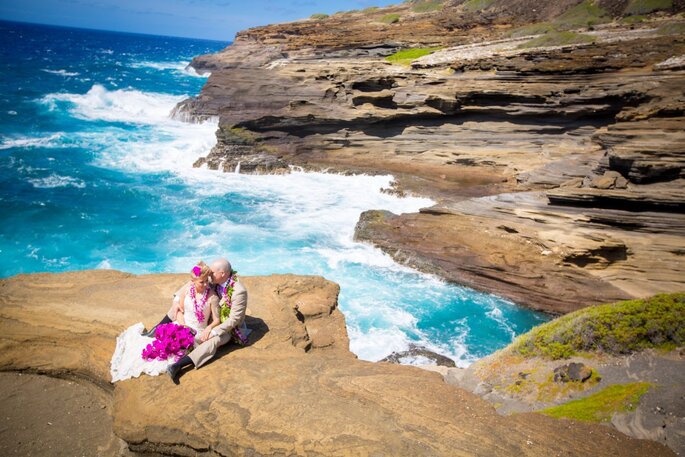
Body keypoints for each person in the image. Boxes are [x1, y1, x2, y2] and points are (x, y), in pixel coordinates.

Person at [163, 258, 249, 383]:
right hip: (211, 317)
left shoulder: (239, 291)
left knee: (212, 341)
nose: (209, 274)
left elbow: (234, 320)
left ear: (223, 274)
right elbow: (194, 280)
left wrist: (213, 331)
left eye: (212, 272)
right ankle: (156, 329)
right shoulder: (213, 278)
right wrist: (177, 299)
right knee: (180, 305)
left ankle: (178, 365)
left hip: (229, 328)